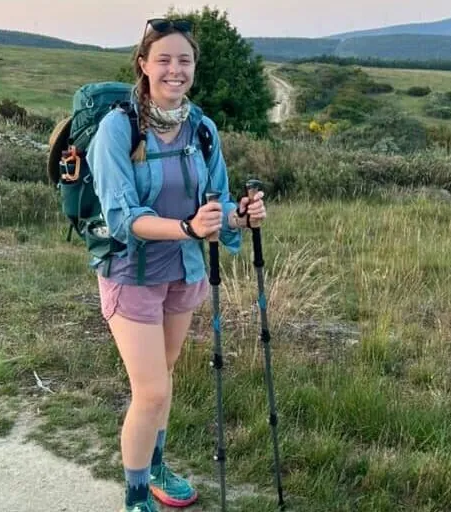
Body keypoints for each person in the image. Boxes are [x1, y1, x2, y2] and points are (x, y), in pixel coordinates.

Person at [86, 17, 267, 512]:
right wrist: (188, 228)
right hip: (133, 276)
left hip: (184, 274)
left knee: (162, 380)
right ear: (143, 65)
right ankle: (137, 495)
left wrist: (240, 216)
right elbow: (123, 218)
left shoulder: (202, 129)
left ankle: (157, 465)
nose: (175, 69)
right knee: (151, 390)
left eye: (184, 60)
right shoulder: (118, 128)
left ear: (194, 67)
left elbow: (217, 204)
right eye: (163, 59)